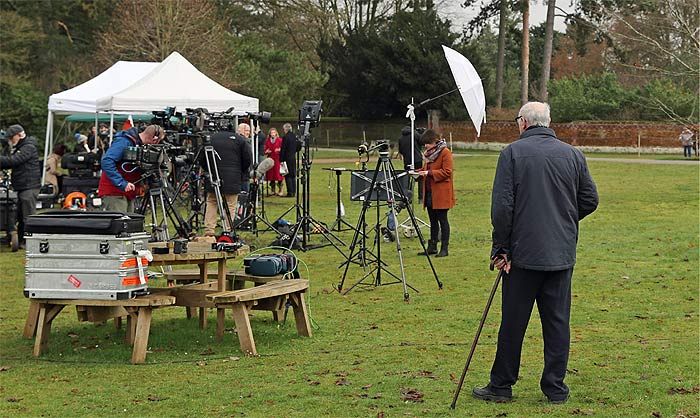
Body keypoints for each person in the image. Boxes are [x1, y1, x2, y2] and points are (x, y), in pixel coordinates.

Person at [473, 102, 599, 404]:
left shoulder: (512, 154)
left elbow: (502, 208)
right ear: (547, 122)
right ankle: (555, 388)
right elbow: (590, 200)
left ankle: (502, 385)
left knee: (513, 322)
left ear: (523, 124)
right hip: (560, 254)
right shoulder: (572, 154)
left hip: (522, 255)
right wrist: (563, 222)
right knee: (557, 323)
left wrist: (501, 247)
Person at [201, 123, 252, 239]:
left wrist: (209, 170)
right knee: (230, 204)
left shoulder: (211, 139)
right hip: (233, 177)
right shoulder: (240, 140)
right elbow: (248, 158)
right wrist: (241, 171)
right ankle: (227, 230)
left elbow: (202, 158)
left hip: (214, 175)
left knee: (212, 202)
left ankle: (209, 230)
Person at [98, 125, 164, 213]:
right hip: (115, 192)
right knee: (119, 224)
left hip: (128, 192)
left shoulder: (139, 145)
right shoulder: (124, 141)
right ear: (154, 139)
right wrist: (121, 183)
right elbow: (107, 161)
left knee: (130, 223)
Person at [0, 125, 41, 250]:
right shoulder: (20, 147)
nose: (11, 141)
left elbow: (15, 161)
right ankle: (17, 238)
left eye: (12, 138)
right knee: (16, 213)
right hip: (21, 185)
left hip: (29, 186)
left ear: (18, 135)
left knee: (28, 216)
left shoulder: (28, 147)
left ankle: (30, 241)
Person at [415, 129, 455, 257]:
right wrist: (417, 172)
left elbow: (447, 172)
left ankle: (444, 248)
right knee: (432, 221)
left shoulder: (445, 153)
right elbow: (426, 169)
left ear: (435, 141)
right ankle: (432, 247)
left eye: (427, 143)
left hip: (441, 193)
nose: (425, 146)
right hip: (430, 192)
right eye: (424, 144)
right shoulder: (429, 155)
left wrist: (429, 173)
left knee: (443, 220)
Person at [398, 125, 424, 200]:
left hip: (407, 161)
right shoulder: (415, 134)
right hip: (417, 160)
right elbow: (422, 142)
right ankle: (421, 197)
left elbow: (401, 151)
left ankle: (408, 198)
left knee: (408, 179)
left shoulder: (401, 138)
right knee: (420, 178)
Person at [280, 123, 300, 197]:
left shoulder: (285, 137)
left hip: (286, 158)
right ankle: (294, 191)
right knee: (293, 175)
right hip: (293, 157)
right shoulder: (295, 136)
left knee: (287, 175)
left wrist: (281, 159)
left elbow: (283, 149)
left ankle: (290, 192)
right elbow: (299, 146)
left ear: (285, 129)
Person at [264, 127, 285, 196]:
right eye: (271, 133)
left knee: (278, 175)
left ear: (276, 133)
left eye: (274, 132)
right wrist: (267, 151)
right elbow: (265, 149)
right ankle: (273, 190)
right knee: (271, 175)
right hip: (270, 159)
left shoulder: (280, 140)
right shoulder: (267, 140)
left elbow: (283, 148)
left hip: (278, 159)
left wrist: (279, 150)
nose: (273, 134)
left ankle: (280, 190)